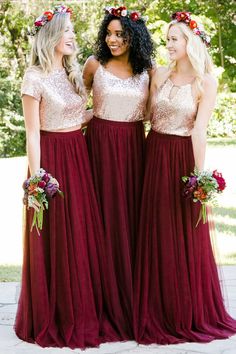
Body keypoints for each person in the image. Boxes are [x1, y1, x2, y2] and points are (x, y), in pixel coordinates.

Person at [134, 11, 236, 344]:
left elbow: (200, 131)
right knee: (155, 230)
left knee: (181, 232)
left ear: (190, 41)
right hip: (154, 154)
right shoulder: (159, 74)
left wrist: (197, 179)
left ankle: (185, 309)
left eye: (174, 39)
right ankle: (155, 306)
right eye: (167, 40)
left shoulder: (205, 81)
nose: (168, 45)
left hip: (181, 159)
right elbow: (148, 115)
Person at [15, 5, 105, 348]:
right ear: (51, 35)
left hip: (78, 157)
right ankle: (56, 312)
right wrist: (37, 181)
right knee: (57, 236)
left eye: (72, 32)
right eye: (66, 31)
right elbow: (33, 133)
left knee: (80, 231)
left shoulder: (70, 74)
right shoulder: (33, 78)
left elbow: (78, 116)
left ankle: (83, 308)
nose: (72, 36)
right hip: (51, 160)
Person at [83, 6, 155, 340]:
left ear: (134, 36)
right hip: (97, 148)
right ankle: (99, 298)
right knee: (101, 219)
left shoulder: (149, 70)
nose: (113, 40)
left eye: (120, 34)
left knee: (131, 219)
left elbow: (162, 108)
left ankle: (132, 297)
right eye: (109, 33)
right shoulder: (93, 65)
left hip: (133, 149)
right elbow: (72, 101)